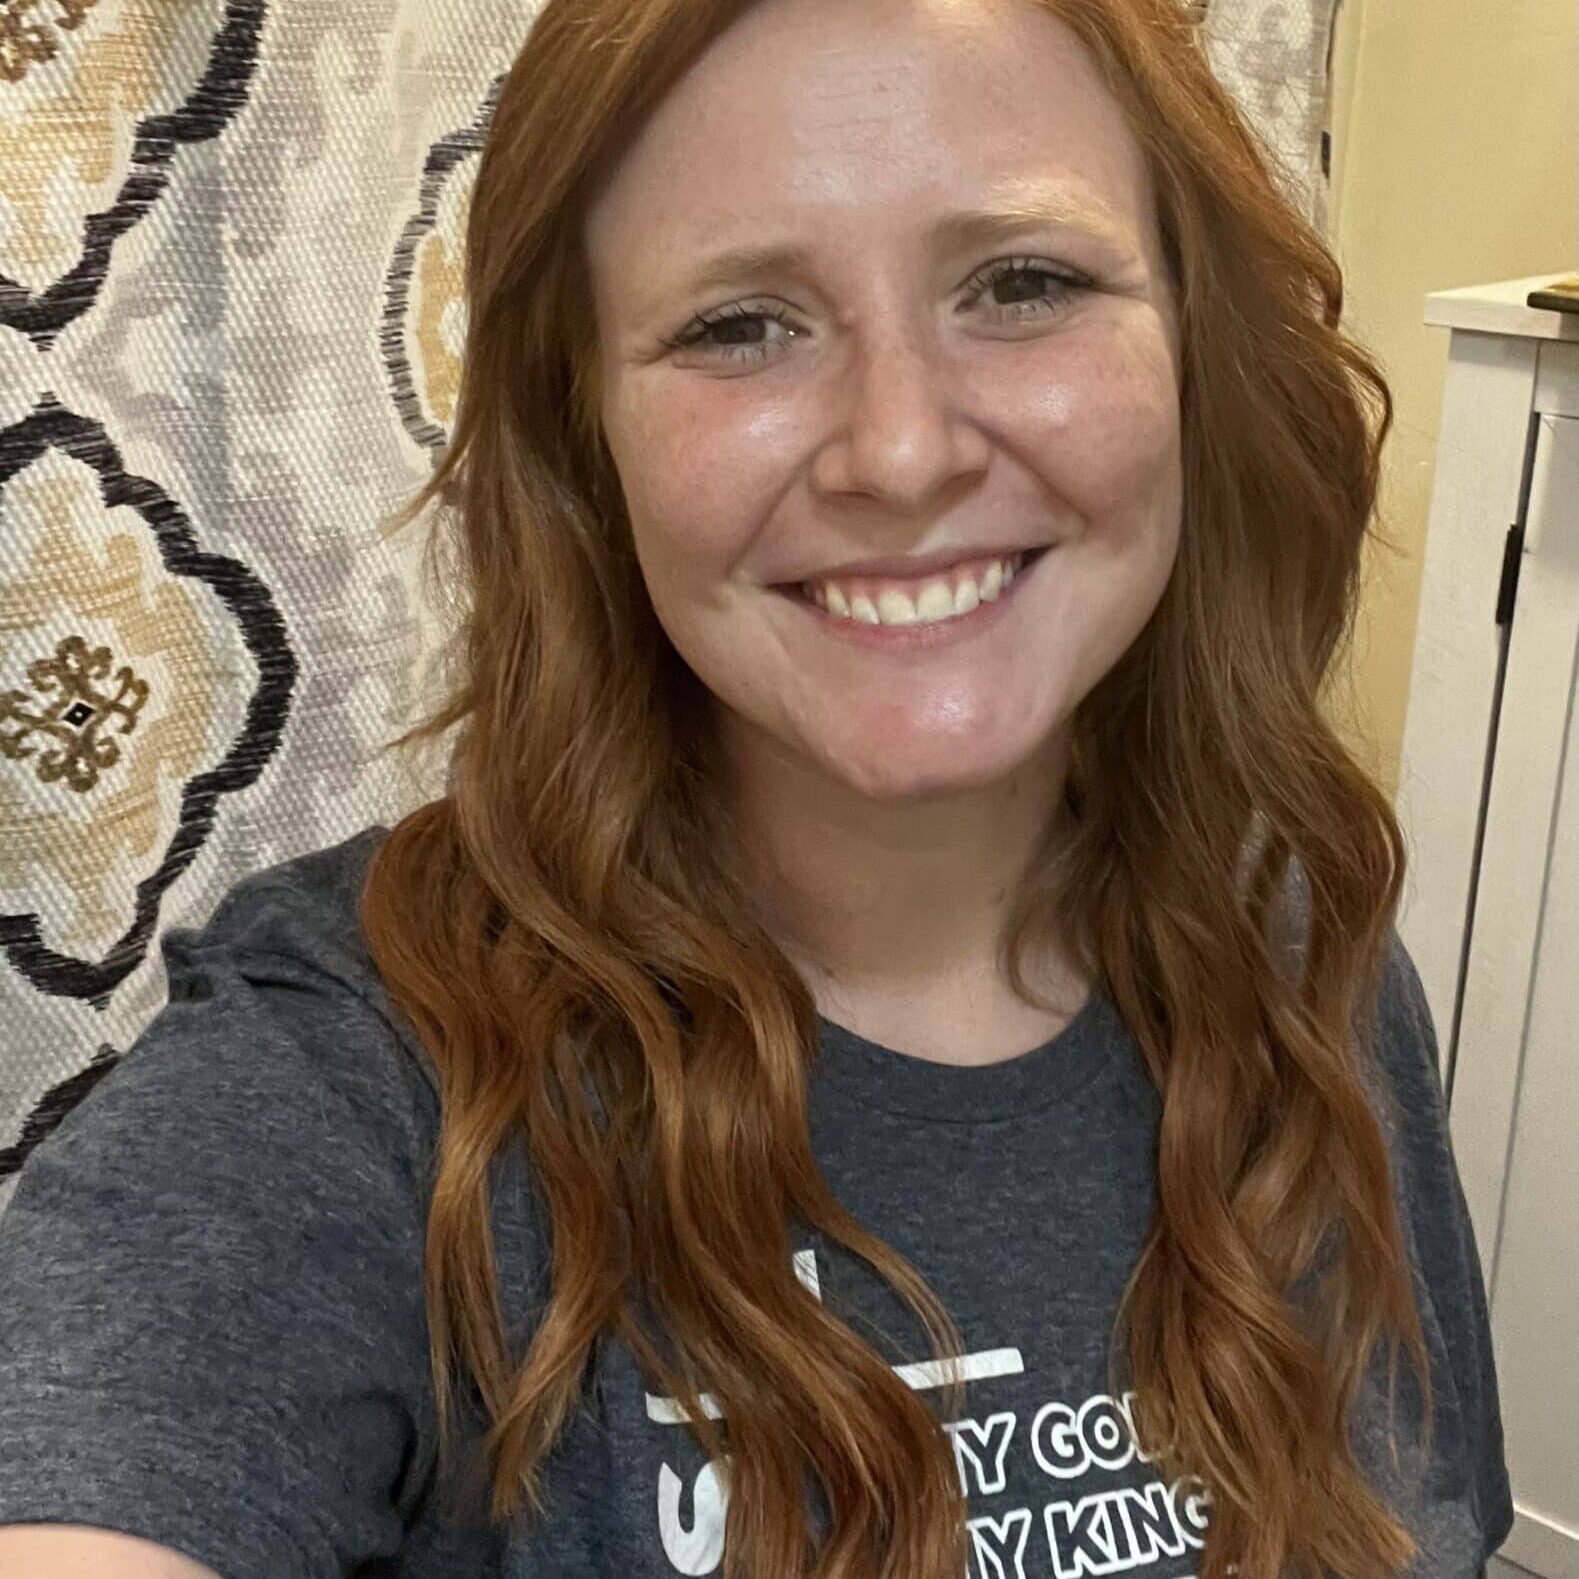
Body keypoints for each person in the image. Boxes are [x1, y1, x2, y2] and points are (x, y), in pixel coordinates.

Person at [0, 0, 1513, 1576]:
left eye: (1023, 284)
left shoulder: (1304, 961)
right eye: (740, 326)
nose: (901, 453)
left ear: (1197, 350)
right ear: (586, 430)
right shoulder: (353, 1080)